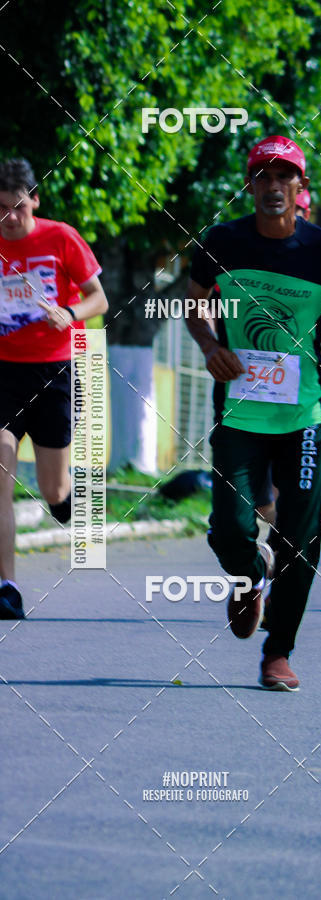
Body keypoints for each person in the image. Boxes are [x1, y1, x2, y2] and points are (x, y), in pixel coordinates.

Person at [186, 135, 321, 690]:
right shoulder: (221, 242)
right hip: (238, 417)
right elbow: (195, 306)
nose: (273, 187)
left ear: (301, 188)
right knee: (229, 531)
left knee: (301, 539)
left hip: (303, 420)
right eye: (263, 177)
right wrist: (209, 346)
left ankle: (277, 653)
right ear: (250, 186)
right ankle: (249, 578)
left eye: (284, 177)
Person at [0, 158, 108, 619]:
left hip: (53, 372)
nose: (10, 218)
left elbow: (98, 297)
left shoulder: (60, 236)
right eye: (1, 208)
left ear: (35, 200)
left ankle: (68, 501)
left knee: (52, 488)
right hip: (3, 371)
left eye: (18, 207)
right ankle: (7, 587)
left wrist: (70, 313)